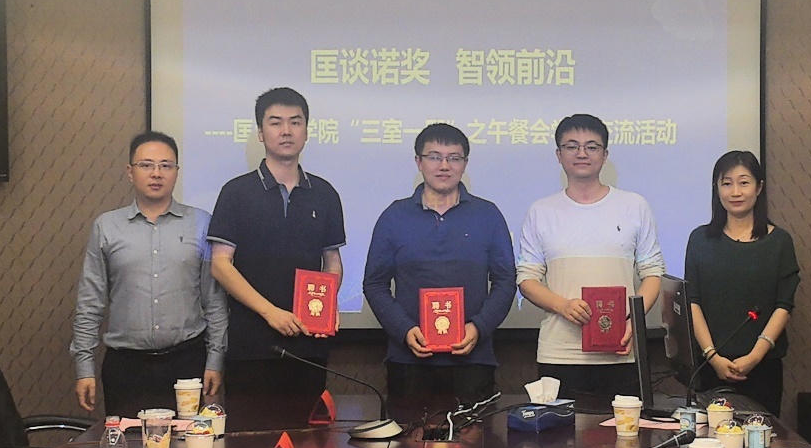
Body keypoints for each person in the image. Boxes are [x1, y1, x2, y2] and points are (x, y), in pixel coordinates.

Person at [71, 131, 227, 416]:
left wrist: (215, 360)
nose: (157, 173)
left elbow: (214, 301)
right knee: (128, 443)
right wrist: (84, 368)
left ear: (176, 172)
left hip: (187, 363)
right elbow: (89, 302)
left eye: (166, 165)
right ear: (130, 172)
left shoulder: (201, 223)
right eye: (146, 165)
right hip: (125, 366)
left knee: (188, 443)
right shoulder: (107, 226)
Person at [516, 113, 665, 398]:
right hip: (559, 353)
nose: (582, 153)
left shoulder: (634, 205)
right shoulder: (541, 211)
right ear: (559, 155)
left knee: (625, 428)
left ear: (605, 155)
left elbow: (652, 273)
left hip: (620, 352)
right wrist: (563, 306)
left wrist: (632, 322)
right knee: (557, 428)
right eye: (572, 146)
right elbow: (526, 279)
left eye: (592, 146)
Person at [363, 123, 516, 400]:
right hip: (408, 360)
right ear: (418, 162)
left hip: (473, 360)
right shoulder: (394, 217)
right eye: (434, 157)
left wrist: (479, 327)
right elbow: (374, 284)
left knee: (477, 429)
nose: (444, 166)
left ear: (465, 164)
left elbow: (505, 281)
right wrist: (404, 329)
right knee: (408, 429)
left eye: (454, 158)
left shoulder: (488, 215)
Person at [209, 88, 345, 397]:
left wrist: (327, 303)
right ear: (260, 132)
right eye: (275, 122)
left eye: (295, 122)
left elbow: (332, 261)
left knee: (308, 427)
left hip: (310, 345)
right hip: (252, 346)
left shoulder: (325, 194)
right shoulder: (235, 192)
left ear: (306, 131)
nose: (286, 131)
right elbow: (220, 264)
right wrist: (270, 312)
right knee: (251, 428)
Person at [684, 149, 799, 414]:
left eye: (744, 183)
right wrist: (713, 356)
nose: (735, 192)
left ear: (759, 187)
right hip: (709, 367)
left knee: (762, 436)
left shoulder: (779, 241)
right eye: (727, 183)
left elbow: (784, 305)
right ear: (717, 189)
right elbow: (692, 301)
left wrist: (755, 357)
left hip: (763, 368)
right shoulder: (700, 240)